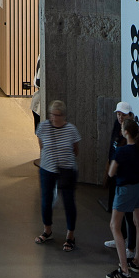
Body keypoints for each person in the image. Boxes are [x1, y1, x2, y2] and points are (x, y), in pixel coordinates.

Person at [106, 107, 139, 278]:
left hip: (124, 190)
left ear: (125, 132)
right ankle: (136, 261)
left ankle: (124, 270)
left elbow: (111, 173)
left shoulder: (121, 151)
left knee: (115, 226)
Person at [34, 97, 81, 251]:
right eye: (51, 114)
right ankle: (47, 230)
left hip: (67, 170)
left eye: (57, 115)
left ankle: (70, 235)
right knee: (46, 201)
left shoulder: (71, 130)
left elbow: (75, 150)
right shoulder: (43, 127)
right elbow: (41, 145)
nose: (53, 117)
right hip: (47, 169)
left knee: (68, 202)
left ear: (63, 116)